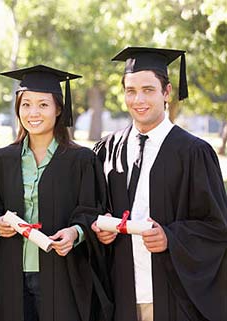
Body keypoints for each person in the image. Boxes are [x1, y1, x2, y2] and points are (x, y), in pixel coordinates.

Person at [92, 47, 227, 321]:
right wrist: (98, 227)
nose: (138, 99)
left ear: (166, 93)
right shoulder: (107, 149)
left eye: (148, 90)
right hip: (120, 296)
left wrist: (171, 237)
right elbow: (90, 209)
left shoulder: (193, 153)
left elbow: (216, 228)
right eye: (130, 90)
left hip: (172, 297)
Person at [0, 65, 113, 321]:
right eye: (26, 105)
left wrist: (75, 232)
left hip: (63, 278)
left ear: (59, 109)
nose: (33, 112)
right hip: (8, 278)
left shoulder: (81, 161)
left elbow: (93, 211)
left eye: (43, 105)